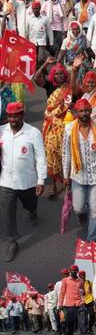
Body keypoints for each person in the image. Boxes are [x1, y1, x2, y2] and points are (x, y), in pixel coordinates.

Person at [0, 102, 46, 262]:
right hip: (6, 182)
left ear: (22, 115)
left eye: (16, 115)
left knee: (30, 204)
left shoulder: (33, 133)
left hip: (27, 182)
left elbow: (41, 157)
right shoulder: (1, 132)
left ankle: (32, 212)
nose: (12, 119)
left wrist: (41, 180)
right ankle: (12, 241)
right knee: (7, 212)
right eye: (10, 116)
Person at [62, 98, 96, 241]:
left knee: (95, 211)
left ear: (90, 111)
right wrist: (66, 175)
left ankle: (92, 239)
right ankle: (82, 214)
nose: (84, 113)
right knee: (78, 208)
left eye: (86, 110)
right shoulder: (69, 129)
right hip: (78, 175)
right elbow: (66, 153)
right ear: (76, 112)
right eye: (81, 111)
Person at [42, 62, 72, 199]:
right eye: (56, 74)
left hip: (64, 125)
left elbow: (67, 105)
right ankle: (53, 184)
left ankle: (67, 183)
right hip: (50, 126)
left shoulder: (68, 89)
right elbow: (37, 79)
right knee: (50, 153)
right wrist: (45, 64)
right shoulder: (49, 86)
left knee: (64, 154)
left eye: (61, 73)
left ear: (65, 75)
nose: (59, 76)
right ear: (53, 76)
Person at [58, 265, 87, 335]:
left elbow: (82, 291)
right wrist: (60, 304)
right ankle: (69, 334)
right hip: (69, 304)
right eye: (72, 270)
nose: (73, 271)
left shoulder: (81, 281)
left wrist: (83, 299)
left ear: (77, 271)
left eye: (75, 270)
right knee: (70, 321)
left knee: (82, 320)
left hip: (80, 303)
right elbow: (62, 292)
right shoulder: (65, 280)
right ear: (70, 271)